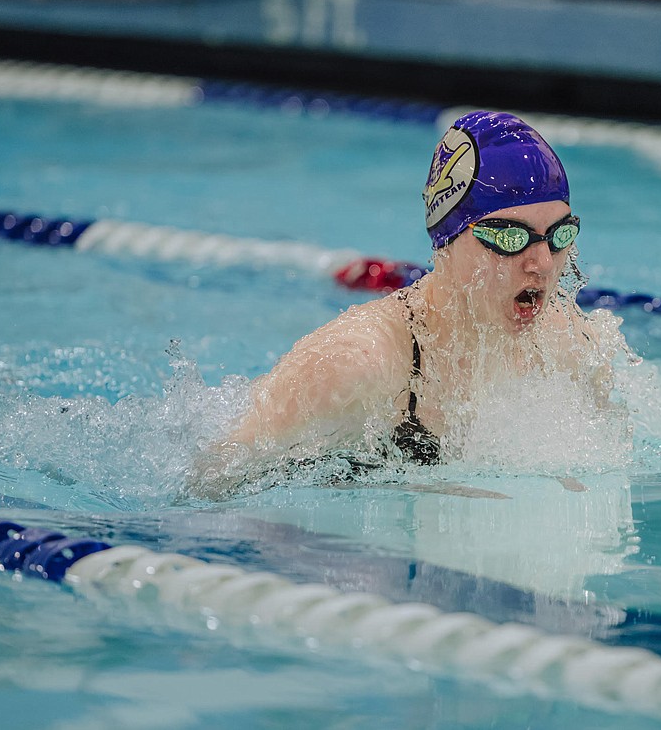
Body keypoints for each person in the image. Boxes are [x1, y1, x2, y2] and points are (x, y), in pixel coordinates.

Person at [186, 111, 625, 496]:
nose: (543, 264)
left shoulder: (569, 343)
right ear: (447, 242)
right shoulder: (357, 364)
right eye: (510, 238)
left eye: (560, 235)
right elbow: (210, 482)